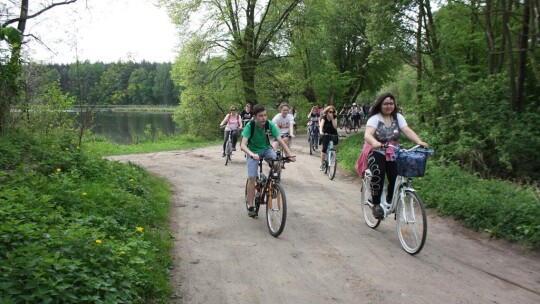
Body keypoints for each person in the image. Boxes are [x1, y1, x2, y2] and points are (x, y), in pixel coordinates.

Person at [363, 93, 428, 219]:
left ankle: (390, 200)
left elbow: (407, 130)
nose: (389, 106)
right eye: (386, 104)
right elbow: (367, 134)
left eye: (391, 103)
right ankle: (376, 203)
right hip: (375, 150)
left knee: (396, 175)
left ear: (394, 105)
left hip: (392, 150)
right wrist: (375, 142)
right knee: (378, 172)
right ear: (380, 105)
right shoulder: (375, 118)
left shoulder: (398, 117)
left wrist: (419, 141)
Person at [241, 104, 296, 217]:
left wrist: (290, 154)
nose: (264, 118)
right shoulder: (250, 126)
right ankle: (251, 206)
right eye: (261, 116)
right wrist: (252, 154)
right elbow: (242, 145)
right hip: (253, 151)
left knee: (277, 162)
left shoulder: (269, 124)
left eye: (265, 115)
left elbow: (280, 140)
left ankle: (274, 185)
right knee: (252, 178)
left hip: (266, 149)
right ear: (255, 117)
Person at [319, 105, 339, 171]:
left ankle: (332, 158)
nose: (331, 113)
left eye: (333, 112)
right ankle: (322, 164)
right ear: (327, 112)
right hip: (325, 133)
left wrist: (332, 118)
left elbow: (335, 127)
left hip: (333, 133)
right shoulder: (324, 117)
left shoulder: (335, 117)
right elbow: (321, 125)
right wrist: (321, 131)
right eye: (330, 112)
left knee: (335, 146)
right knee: (324, 148)